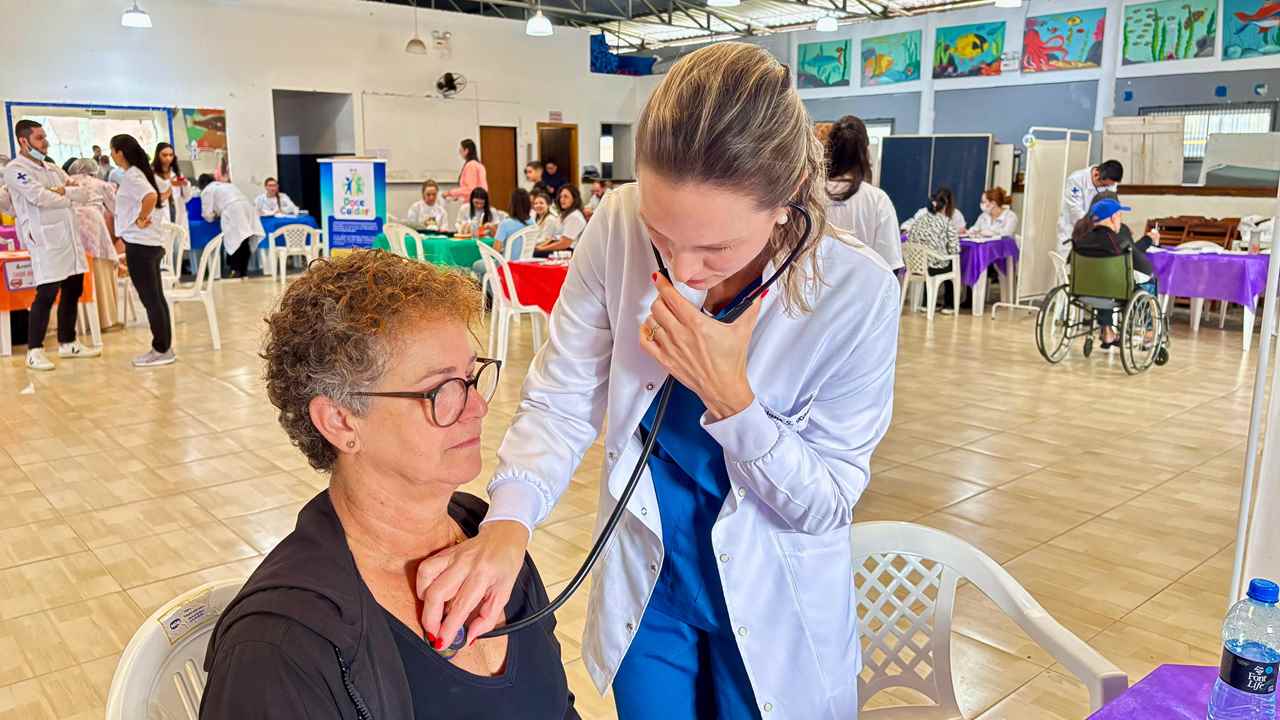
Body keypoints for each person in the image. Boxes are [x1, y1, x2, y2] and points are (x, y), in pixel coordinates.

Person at [415, 42, 898, 720]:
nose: (683, 269)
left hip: (774, 592)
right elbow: (561, 398)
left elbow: (824, 504)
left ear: (787, 200)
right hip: (653, 585)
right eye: (661, 234)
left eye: (717, 248)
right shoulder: (614, 225)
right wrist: (508, 524)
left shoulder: (859, 293)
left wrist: (735, 401)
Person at [199, 252, 579, 720]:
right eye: (443, 390)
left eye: (472, 376)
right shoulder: (281, 647)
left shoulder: (490, 535)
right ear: (340, 421)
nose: (477, 407)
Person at [3, 120, 101, 371]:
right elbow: (38, 197)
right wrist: (62, 193)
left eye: (45, 137)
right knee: (46, 293)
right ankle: (34, 351)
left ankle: (68, 342)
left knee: (73, 287)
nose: (45, 142)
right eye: (39, 138)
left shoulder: (52, 168)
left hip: (69, 236)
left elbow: (83, 193)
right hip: (44, 239)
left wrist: (59, 191)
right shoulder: (15, 169)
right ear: (24, 141)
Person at [111, 134, 176, 367]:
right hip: (149, 243)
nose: (111, 155)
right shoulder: (143, 172)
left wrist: (141, 217)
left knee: (151, 299)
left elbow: (150, 196)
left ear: (120, 153)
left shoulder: (133, 175)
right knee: (156, 298)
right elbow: (160, 194)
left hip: (141, 245)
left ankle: (161, 349)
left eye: (112, 151)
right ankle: (163, 346)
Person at [1072, 195, 1160, 347]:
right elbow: (1143, 265)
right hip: (1114, 293)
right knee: (1147, 282)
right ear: (1113, 217)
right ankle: (1150, 332)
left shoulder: (1080, 239)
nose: (1121, 220)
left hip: (1082, 292)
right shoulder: (1118, 241)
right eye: (1120, 216)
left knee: (1102, 279)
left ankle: (1106, 331)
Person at [824, 114, 902, 270]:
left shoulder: (810, 195)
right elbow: (890, 263)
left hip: (814, 291)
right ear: (865, 151)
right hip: (865, 292)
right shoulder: (877, 200)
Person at [65, 158, 122, 329]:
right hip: (94, 227)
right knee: (99, 270)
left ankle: (78, 323)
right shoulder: (102, 185)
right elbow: (117, 208)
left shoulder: (66, 183)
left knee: (74, 273)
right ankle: (104, 319)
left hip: (70, 227)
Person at [198, 174, 265, 278]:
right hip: (247, 208)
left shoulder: (207, 190)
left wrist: (213, 216)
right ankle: (243, 271)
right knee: (245, 239)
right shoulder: (228, 185)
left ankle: (236, 270)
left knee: (235, 241)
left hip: (233, 210)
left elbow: (207, 214)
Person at [906, 188, 961, 314]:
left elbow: (911, 238)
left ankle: (926, 303)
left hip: (915, 264)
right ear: (947, 205)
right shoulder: (947, 222)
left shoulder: (919, 219)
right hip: (934, 266)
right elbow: (955, 249)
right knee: (951, 262)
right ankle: (949, 305)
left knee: (928, 258)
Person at [1057, 159, 1123, 249]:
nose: (1107, 188)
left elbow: (1111, 204)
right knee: (1068, 260)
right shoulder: (1076, 180)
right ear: (1096, 175)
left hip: (1096, 232)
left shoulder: (1110, 183)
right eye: (1104, 185)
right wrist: (1096, 225)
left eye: (1110, 185)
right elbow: (1075, 210)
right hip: (1072, 230)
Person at [473, 189, 535, 282]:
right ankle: (502, 291)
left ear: (512, 204)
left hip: (505, 264)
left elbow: (496, 250)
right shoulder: (532, 222)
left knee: (476, 265)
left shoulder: (506, 223)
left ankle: (497, 293)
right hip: (525, 264)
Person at [534, 184, 585, 257]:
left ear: (574, 199)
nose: (562, 199)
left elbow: (564, 243)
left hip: (569, 251)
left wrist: (542, 249)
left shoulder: (575, 216)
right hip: (561, 247)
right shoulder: (565, 214)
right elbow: (554, 238)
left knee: (535, 254)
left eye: (566, 197)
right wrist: (539, 247)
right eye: (561, 197)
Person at [153, 142, 192, 231]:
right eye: (164, 155)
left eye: (171, 155)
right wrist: (170, 184)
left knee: (179, 241)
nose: (168, 158)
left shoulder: (177, 173)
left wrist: (185, 185)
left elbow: (187, 198)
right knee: (165, 241)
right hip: (161, 214)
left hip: (178, 212)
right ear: (157, 155)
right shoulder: (152, 174)